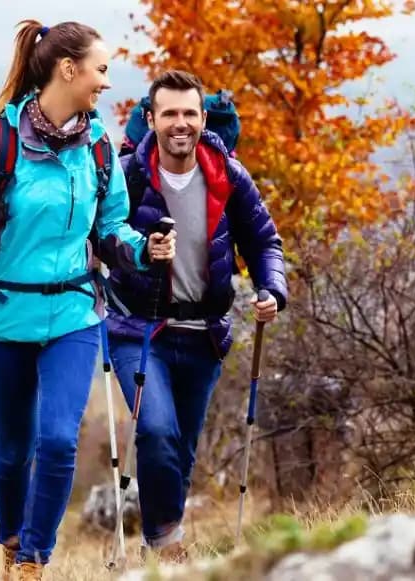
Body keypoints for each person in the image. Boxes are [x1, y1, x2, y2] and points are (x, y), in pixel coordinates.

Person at [0, 19, 173, 580]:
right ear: (69, 69)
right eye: (102, 70)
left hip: (73, 314)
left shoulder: (97, 145)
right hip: (2, 318)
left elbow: (111, 227)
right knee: (14, 449)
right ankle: (12, 544)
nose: (107, 83)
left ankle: (32, 564)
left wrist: (144, 249)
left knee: (59, 440)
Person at [100, 70, 288, 561]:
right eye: (169, 114)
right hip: (137, 330)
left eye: (189, 113)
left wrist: (272, 289)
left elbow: (264, 240)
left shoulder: (228, 174)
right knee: (157, 430)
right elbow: (102, 239)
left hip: (204, 333)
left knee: (180, 451)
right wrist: (138, 250)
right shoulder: (128, 176)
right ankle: (168, 547)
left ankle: (156, 549)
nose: (179, 123)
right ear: (151, 119)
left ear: (204, 119)